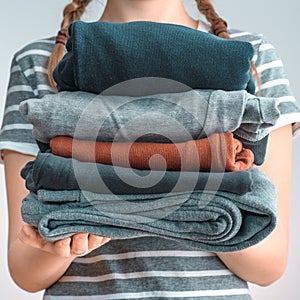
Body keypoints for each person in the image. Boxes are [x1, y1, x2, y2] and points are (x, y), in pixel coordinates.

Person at [1, 0, 299, 299]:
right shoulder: (39, 61)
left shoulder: (251, 55)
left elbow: (268, 267)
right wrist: (62, 243)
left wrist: (200, 212)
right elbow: (26, 273)